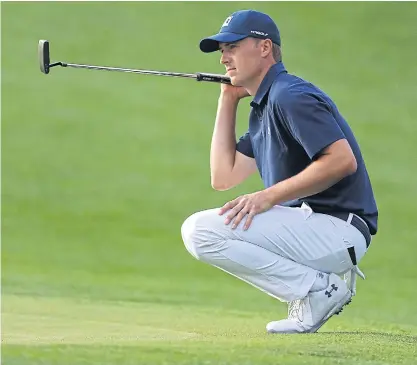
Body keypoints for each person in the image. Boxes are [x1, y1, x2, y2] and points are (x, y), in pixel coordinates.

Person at [181, 9, 378, 334]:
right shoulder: (266, 107)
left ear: (264, 48)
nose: (223, 57)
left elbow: (342, 160)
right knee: (200, 232)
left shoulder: (290, 96)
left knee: (200, 230)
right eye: (222, 49)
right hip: (321, 232)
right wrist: (227, 100)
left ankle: (317, 290)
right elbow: (223, 177)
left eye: (232, 46)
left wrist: (267, 197)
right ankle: (315, 290)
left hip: (337, 230)